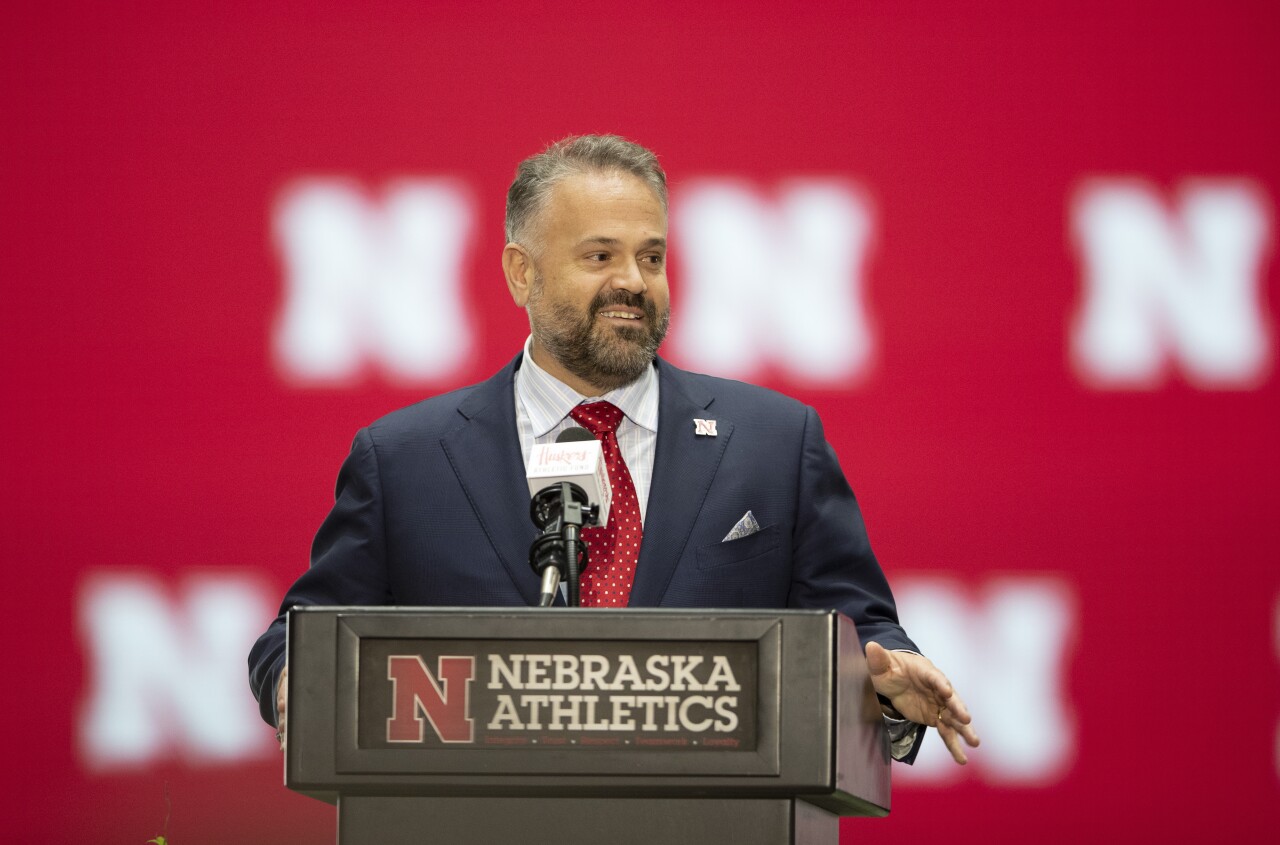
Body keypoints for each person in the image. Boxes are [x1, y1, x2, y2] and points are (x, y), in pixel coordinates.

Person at [248, 134, 979, 766]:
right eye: (600, 255)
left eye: (651, 256)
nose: (633, 281)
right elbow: (299, 639)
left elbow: (861, 632)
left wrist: (888, 686)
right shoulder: (406, 459)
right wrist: (294, 684)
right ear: (522, 272)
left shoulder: (775, 444)